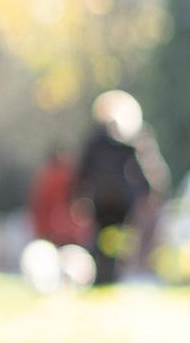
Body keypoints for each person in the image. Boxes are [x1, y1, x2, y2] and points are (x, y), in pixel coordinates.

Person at [72, 89, 170, 285]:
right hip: (116, 201)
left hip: (108, 201)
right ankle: (107, 274)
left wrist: (79, 197)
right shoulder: (118, 143)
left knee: (110, 240)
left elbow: (83, 172)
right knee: (111, 240)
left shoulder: (101, 142)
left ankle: (107, 274)